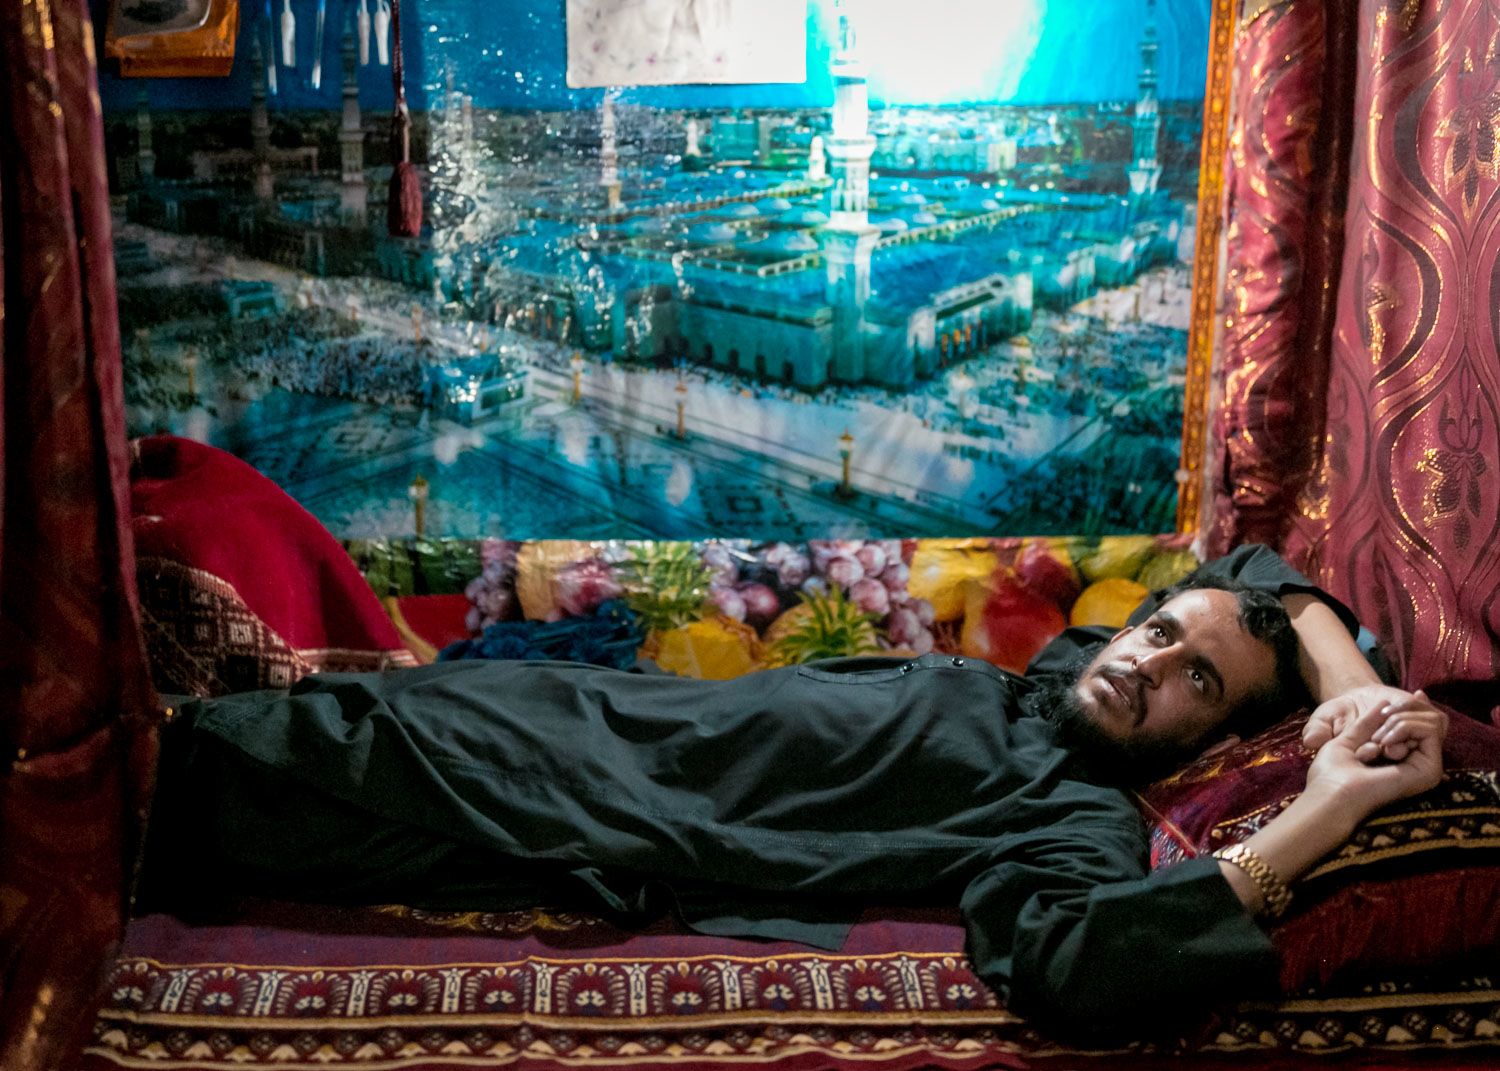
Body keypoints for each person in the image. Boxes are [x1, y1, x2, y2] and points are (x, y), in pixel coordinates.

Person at [141, 545, 1447, 1039]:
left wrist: (1328, 796)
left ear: (1197, 742)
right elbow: (1262, 572)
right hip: (590, 713)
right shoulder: (1060, 677)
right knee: (265, 700)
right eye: (1164, 632)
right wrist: (1340, 679)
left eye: (1195, 685)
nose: (1151, 659)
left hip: (560, 792)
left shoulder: (1069, 802)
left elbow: (1085, 958)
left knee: (217, 772)